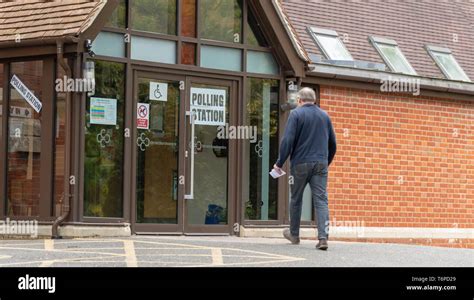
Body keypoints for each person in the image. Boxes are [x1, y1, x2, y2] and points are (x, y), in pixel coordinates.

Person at [273, 87, 337, 250]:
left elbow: (287, 141)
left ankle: (294, 235)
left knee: (296, 198)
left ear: (300, 101)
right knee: (321, 200)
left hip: (300, 164)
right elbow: (333, 145)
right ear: (314, 100)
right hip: (320, 164)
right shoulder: (325, 116)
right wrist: (324, 163)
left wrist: (279, 163)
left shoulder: (296, 114)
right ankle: (323, 238)